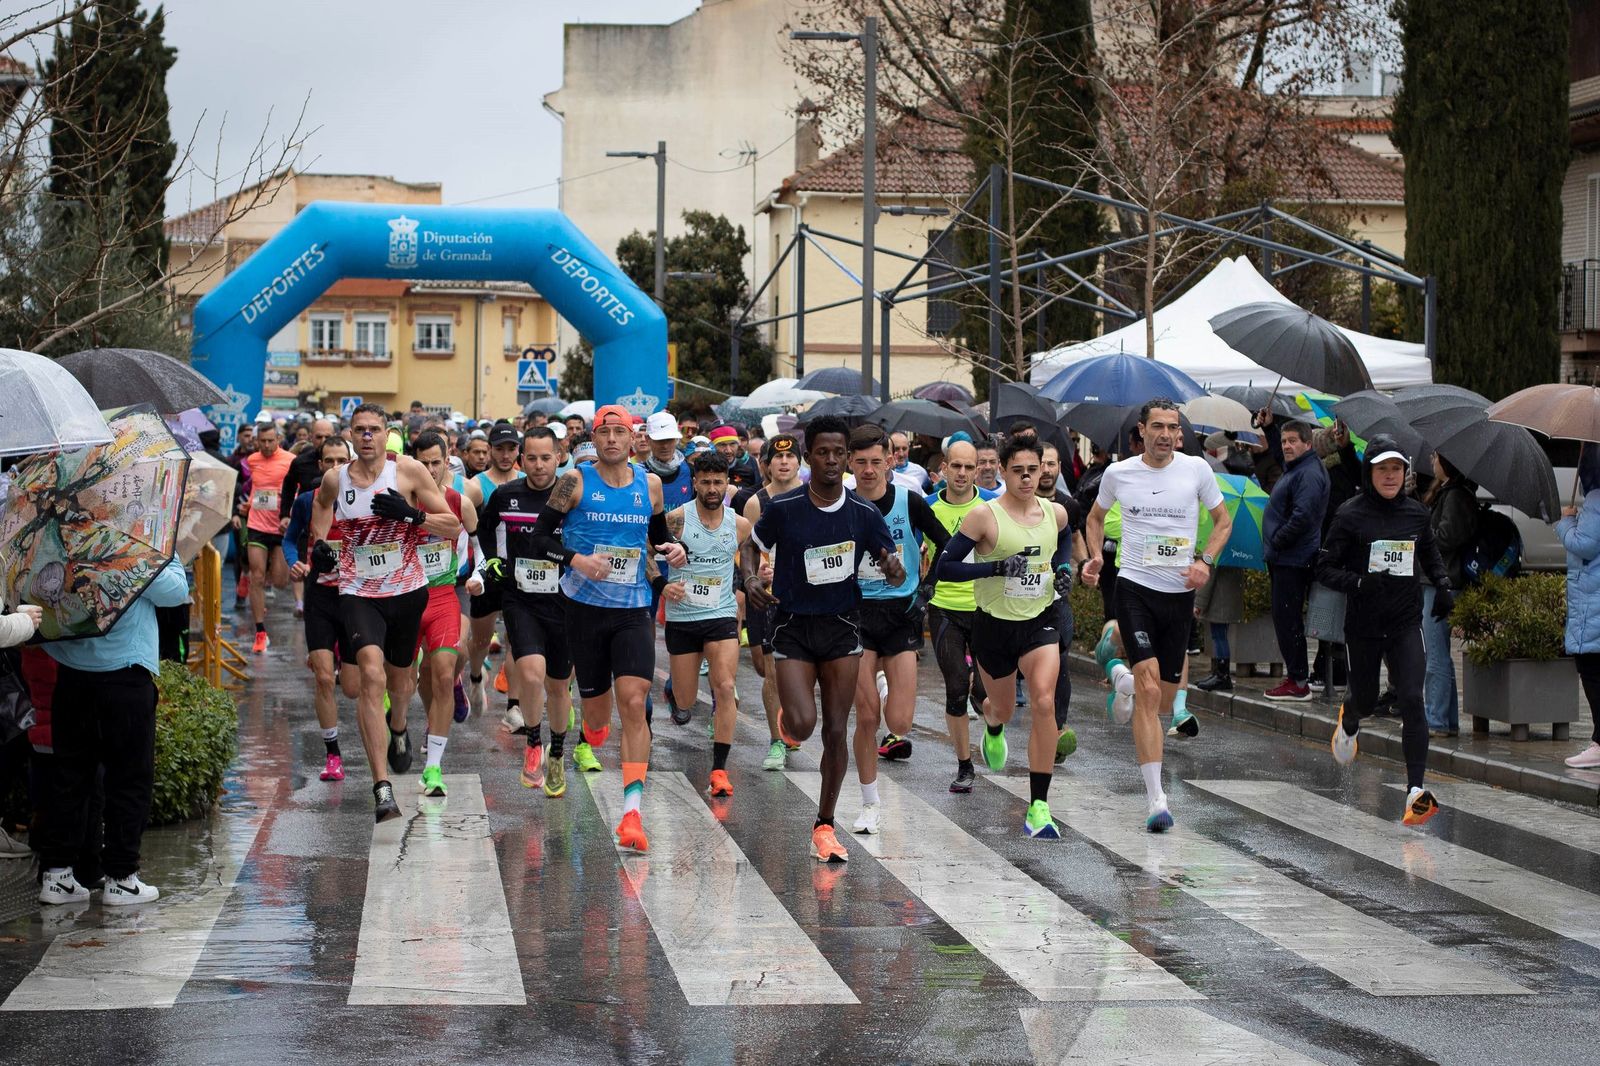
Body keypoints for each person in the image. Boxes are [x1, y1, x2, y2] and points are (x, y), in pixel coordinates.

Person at [741, 416, 901, 863]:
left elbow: (889, 561)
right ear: (809, 457)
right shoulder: (785, 507)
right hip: (792, 626)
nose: (831, 460)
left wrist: (894, 569)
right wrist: (750, 578)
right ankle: (790, 720)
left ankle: (824, 825)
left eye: (838, 453)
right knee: (803, 725)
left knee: (835, 729)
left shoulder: (863, 513)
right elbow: (751, 545)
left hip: (842, 627)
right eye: (823, 452)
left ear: (846, 458)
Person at [527, 404, 688, 853]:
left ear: (634, 439)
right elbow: (539, 539)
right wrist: (576, 560)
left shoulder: (649, 485)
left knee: (634, 701)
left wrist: (674, 550)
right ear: (593, 439)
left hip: (633, 609)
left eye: (620, 432)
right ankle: (591, 731)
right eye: (605, 432)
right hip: (583, 610)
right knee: (598, 721)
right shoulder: (575, 482)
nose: (613, 439)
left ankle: (632, 814)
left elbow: (659, 539)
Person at [1083, 399, 1232, 833]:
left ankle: (1120, 677)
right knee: (1150, 688)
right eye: (1158, 427)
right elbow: (1095, 518)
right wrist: (1096, 557)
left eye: (1173, 427)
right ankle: (1156, 798)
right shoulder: (1119, 473)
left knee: (1162, 700)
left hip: (1178, 595)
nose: (1166, 434)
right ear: (1142, 431)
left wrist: (1205, 561)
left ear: (1179, 434)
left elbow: (1223, 522)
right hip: (1134, 588)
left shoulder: (1197, 471)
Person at [309, 402, 460, 822]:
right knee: (371, 675)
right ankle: (382, 786)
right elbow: (321, 506)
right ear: (350, 434)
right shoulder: (336, 478)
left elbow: (453, 525)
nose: (366, 437)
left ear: (387, 433)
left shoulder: (408, 471)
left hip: (407, 592)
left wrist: (411, 515)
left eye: (374, 429)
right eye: (359, 429)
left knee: (401, 680)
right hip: (358, 592)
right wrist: (319, 543)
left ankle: (399, 727)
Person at [930, 436, 1072, 837]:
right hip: (994, 627)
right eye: (1018, 471)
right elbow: (946, 568)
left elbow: (1063, 541)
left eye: (1034, 470)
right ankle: (992, 723)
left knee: (1043, 701)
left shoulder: (1055, 513)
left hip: (1040, 621)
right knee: (1003, 710)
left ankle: (1039, 807)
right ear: (1003, 472)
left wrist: (1064, 569)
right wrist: (994, 568)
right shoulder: (984, 517)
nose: (1027, 478)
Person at [1316, 435, 1452, 827]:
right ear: (1369, 473)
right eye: (1382, 469)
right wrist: (1360, 582)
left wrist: (1443, 585)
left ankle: (1415, 792)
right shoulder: (1349, 515)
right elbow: (1324, 568)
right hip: (1363, 625)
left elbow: (1429, 553)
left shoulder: (1416, 514)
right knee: (1366, 699)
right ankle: (1350, 718)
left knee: (1411, 697)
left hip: (1405, 621)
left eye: (1396, 469)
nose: (1390, 476)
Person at [36, 559, 189, 905]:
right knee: (129, 778)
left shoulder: (61, 541)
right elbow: (175, 591)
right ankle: (121, 879)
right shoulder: (131, 545)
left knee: (69, 777)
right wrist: (164, 557)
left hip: (72, 675)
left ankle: (57, 876)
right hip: (125, 673)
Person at [845, 425, 949, 831]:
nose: (869, 470)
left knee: (900, 723)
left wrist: (927, 590)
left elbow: (946, 543)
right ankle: (870, 803)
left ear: (890, 461)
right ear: (850, 463)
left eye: (877, 461)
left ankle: (885, 684)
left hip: (901, 614)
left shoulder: (909, 500)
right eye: (861, 462)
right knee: (867, 716)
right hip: (857, 615)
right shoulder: (842, 504)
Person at [469, 427, 575, 797]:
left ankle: (556, 752)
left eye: (546, 457)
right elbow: (484, 530)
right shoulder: (506, 494)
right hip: (521, 597)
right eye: (531, 458)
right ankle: (533, 742)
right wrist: (494, 561)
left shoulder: (571, 496)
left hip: (564, 600)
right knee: (531, 674)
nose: (539, 465)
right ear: (521, 459)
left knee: (558, 686)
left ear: (558, 457)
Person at [662, 452, 752, 797]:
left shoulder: (739, 524)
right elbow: (648, 555)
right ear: (695, 483)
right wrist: (662, 585)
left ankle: (719, 770)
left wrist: (755, 577)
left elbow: (752, 558)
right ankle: (674, 692)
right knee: (686, 701)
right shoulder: (676, 520)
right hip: (683, 617)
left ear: (727, 484)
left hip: (721, 615)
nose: (712, 488)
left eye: (718, 482)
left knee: (725, 686)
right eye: (706, 482)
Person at [922, 439, 998, 791]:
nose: (963, 473)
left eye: (970, 467)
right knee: (956, 687)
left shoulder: (993, 505)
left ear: (977, 470)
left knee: (985, 695)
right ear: (944, 468)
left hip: (986, 608)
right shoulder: (927, 506)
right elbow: (909, 548)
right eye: (956, 466)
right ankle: (965, 766)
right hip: (944, 608)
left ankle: (993, 727)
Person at [284, 437, 360, 782]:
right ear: (320, 465)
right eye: (328, 461)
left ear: (350, 461)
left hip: (356, 598)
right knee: (324, 678)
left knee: (353, 688)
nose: (334, 467)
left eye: (341, 460)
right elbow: (290, 539)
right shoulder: (307, 500)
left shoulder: (363, 498)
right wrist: (294, 562)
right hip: (320, 598)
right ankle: (333, 755)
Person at [409, 431, 477, 797]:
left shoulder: (459, 501)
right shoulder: (399, 497)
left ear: (447, 460)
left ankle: (434, 767)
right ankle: (411, 724)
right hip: (405, 598)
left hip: (445, 594)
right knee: (408, 681)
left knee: (445, 668)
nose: (431, 469)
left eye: (437, 462)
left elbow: (480, 545)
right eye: (424, 463)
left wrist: (480, 575)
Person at [741, 434, 806, 772]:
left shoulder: (814, 495)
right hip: (769, 598)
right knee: (769, 671)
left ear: (799, 462)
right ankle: (776, 741)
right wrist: (757, 573)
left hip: (807, 596)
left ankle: (791, 721)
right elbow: (749, 551)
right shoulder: (758, 502)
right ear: (766, 464)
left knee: (801, 670)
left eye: (790, 456)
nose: (783, 462)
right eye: (777, 458)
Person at [1262, 419, 1330, 702]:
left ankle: (1298, 681)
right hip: (1286, 557)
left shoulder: (1309, 474)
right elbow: (1282, 458)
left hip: (1293, 558)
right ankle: (1296, 677)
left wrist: (1277, 540)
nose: (1286, 446)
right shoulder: (1298, 467)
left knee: (1288, 620)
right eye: (1284, 441)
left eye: (1292, 441)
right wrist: (1269, 428)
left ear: (1308, 444)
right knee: (1285, 619)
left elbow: (1303, 516)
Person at [464, 422, 525, 724]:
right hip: (488, 570)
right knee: (480, 640)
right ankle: (476, 676)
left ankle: (513, 705)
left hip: (520, 572)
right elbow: (464, 523)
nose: (505, 454)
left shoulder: (528, 480)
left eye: (511, 448)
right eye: (499, 449)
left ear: (518, 450)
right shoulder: (476, 485)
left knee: (517, 639)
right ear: (489, 450)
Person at [1036, 442, 1085, 761]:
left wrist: (1084, 566)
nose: (1045, 470)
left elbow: (1076, 539)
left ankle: (1056, 727)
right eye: (1040, 464)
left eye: (1051, 464)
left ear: (1058, 468)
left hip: (1056, 598)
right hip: (1019, 599)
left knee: (1060, 660)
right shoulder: (1019, 502)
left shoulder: (1069, 506)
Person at [1422, 452, 1476, 736]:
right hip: (1438, 580)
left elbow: (1447, 537)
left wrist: (1422, 532)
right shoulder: (1448, 493)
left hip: (1443, 582)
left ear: (1447, 463)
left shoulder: (1456, 496)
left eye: (1436, 457)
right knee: (1438, 652)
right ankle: (1447, 720)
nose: (1432, 461)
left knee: (1436, 654)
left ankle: (1436, 719)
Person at [1560, 447, 1600, 769]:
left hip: (1592, 599)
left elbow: (1584, 544)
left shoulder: (1597, 500)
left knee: (1590, 667)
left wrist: (1566, 522)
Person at [241, 421, 294, 652]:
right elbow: (256, 487)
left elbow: (297, 488)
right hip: (257, 524)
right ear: (257, 441)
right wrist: (249, 504)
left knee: (281, 581)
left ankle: (266, 579)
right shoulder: (253, 460)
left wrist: (290, 510)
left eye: (270, 441)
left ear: (278, 439)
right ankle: (260, 632)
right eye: (262, 441)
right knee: (257, 576)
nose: (266, 445)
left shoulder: (290, 460)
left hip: (280, 526)